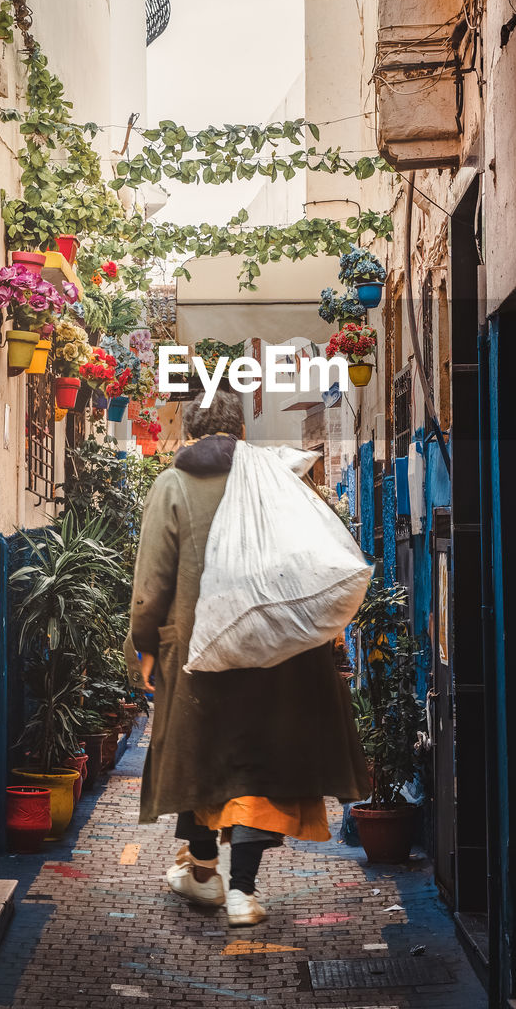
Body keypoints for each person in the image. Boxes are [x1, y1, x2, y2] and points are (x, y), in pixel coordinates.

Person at [127, 387, 370, 926]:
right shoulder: (277, 480)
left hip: (196, 657)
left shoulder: (172, 486)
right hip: (279, 661)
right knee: (258, 770)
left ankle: (206, 873)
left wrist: (144, 648)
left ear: (190, 431)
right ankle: (243, 891)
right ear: (241, 431)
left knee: (200, 760)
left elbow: (151, 585)